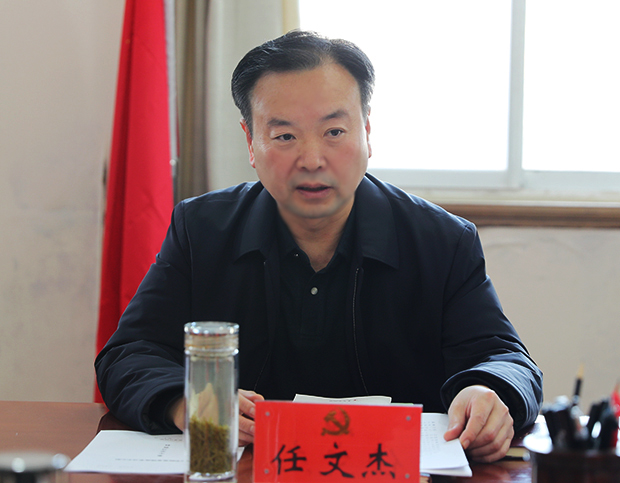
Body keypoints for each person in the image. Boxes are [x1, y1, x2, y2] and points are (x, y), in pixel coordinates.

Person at [96, 30, 543, 463]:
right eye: (285, 136)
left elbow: (504, 358)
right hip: (248, 469)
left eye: (334, 132)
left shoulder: (441, 241)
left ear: (367, 131)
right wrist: (188, 402)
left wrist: (489, 391)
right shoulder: (202, 230)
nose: (312, 159)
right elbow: (129, 353)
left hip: (392, 472)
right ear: (251, 142)